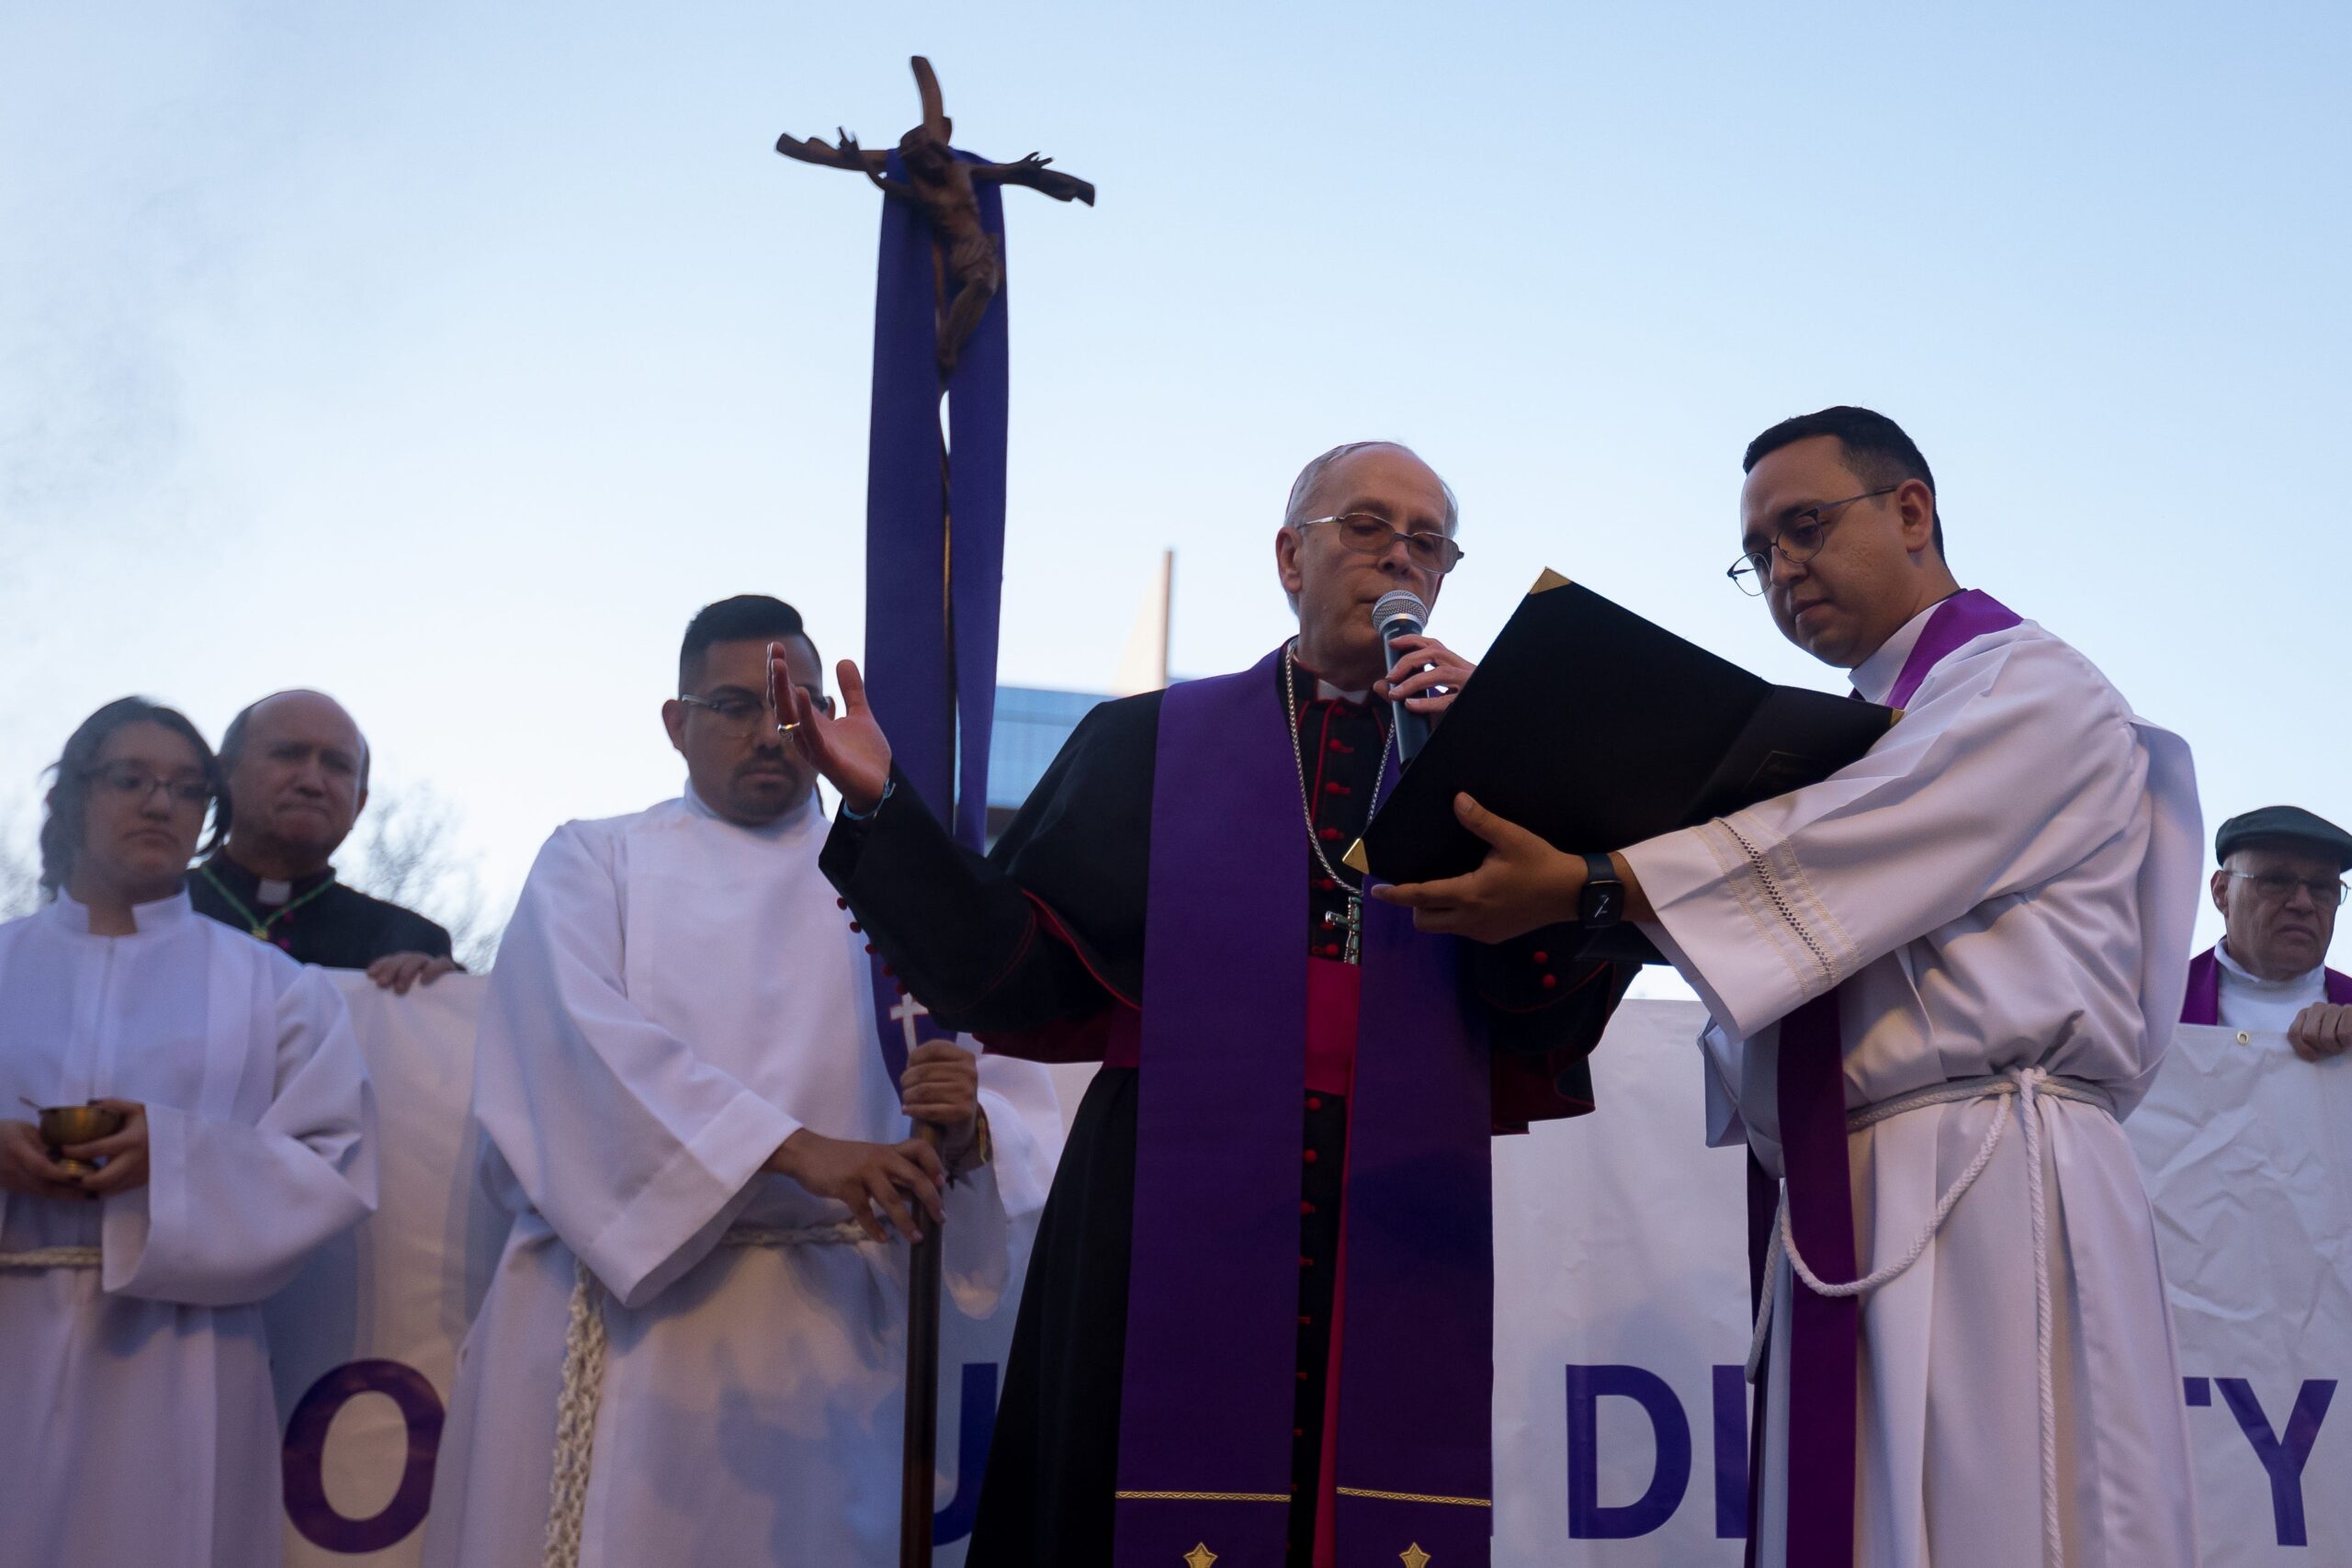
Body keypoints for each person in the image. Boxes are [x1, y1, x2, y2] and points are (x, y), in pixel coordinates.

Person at [1378, 407, 2201, 1567]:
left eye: (1804, 526)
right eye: (1757, 553)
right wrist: (1525, 738)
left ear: (1910, 511)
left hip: (1987, 1169)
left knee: (2001, 1513)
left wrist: (1592, 886)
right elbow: (1777, 870)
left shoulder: (2022, 683)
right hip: (1857, 1174)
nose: (1781, 568)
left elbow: (1837, 845)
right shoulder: (1864, 729)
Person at [786, 442, 1633, 1568]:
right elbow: (1016, 969)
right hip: (1156, 1189)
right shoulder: (1148, 743)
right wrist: (886, 807)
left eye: (1428, 540)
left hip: (1390, 1184)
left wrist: (1531, 779)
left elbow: (1545, 999)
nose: (1398, 556)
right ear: (1292, 555)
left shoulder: (1482, 760)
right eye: (1368, 526)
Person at [423, 596, 1054, 1568]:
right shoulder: (596, 860)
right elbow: (570, 1050)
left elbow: (1023, 1087)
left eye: (795, 701)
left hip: (830, 1340)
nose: (770, 730)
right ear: (675, 724)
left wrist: (969, 1132)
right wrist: (794, 1149)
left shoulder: (910, 881)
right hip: (621, 1322)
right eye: (733, 705)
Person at [0, 697, 376, 1567]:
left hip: (180, 1355)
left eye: (185, 787)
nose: (161, 803)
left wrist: (167, 1160)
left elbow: (334, 1163)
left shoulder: (275, 989)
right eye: (131, 779)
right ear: (71, 796)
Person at [187, 688, 458, 990]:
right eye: (288, 755)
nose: (312, 783)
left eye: (338, 765)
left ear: (359, 804)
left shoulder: (409, 942)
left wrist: (448, 996)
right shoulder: (146, 910)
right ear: (225, 775)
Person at [2182, 804, 2352, 1056]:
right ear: (2222, 892)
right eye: (2277, 881)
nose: (2303, 903)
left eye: (2322, 887)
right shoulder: (2151, 1007)